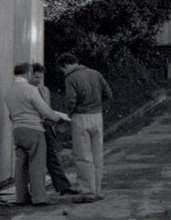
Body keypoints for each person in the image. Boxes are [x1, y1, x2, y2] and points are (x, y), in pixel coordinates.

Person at [6, 62, 71, 206]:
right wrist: (59, 120)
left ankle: (21, 197)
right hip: (34, 129)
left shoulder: (9, 91)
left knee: (21, 165)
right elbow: (44, 110)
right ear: (27, 72)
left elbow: (11, 114)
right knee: (37, 164)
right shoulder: (30, 89)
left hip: (17, 129)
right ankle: (39, 198)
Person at [58, 52, 111, 202]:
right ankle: (98, 189)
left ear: (66, 65)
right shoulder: (95, 73)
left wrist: (68, 114)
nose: (64, 72)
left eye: (63, 69)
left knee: (83, 155)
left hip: (80, 117)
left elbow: (71, 100)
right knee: (97, 154)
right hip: (97, 115)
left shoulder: (70, 78)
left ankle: (88, 191)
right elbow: (108, 93)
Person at [29, 64, 77, 197]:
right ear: (31, 76)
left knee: (52, 156)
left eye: (41, 76)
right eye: (36, 76)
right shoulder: (28, 90)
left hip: (47, 126)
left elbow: (47, 108)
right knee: (36, 159)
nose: (39, 79)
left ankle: (63, 187)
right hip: (35, 126)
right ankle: (36, 191)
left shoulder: (45, 90)